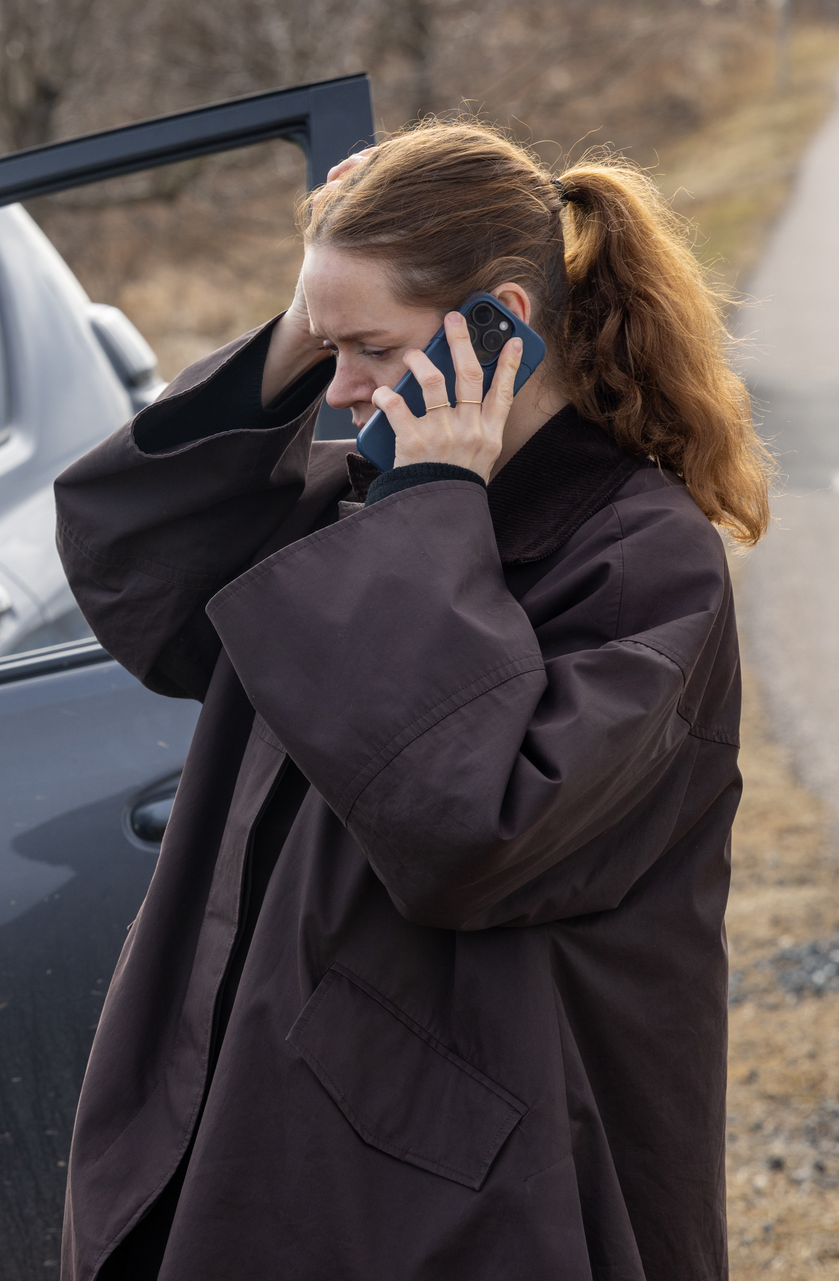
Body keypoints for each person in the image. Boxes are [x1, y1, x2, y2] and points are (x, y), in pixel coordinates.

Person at [52, 123, 769, 1279]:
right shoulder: (361, 495)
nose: (340, 391)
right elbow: (141, 579)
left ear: (503, 322)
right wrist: (301, 326)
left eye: (371, 348)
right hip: (274, 1104)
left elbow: (476, 827)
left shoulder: (641, 559)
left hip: (475, 1180)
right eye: (329, 348)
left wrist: (433, 508)